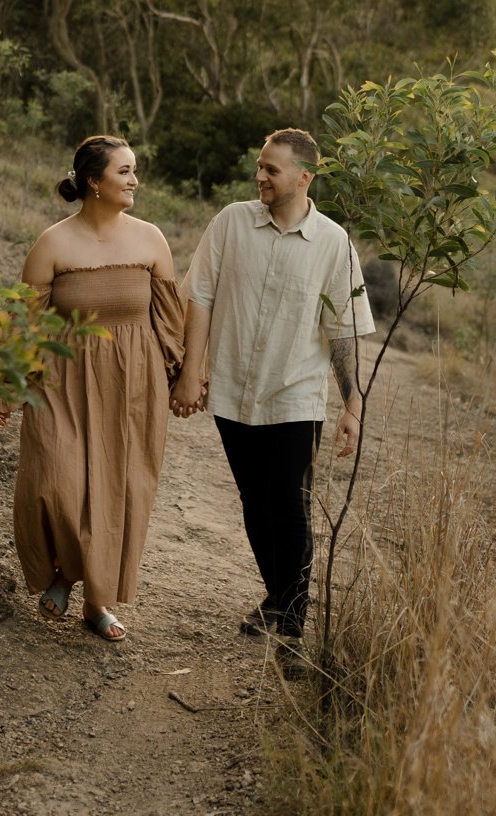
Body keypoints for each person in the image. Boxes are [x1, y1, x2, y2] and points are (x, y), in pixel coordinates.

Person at [170, 128, 374, 641]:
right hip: (234, 389)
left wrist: (353, 404)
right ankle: (281, 598)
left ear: (304, 178)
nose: (260, 175)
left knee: (290, 502)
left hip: (295, 395)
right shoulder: (231, 222)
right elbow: (200, 297)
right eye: (259, 166)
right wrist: (191, 372)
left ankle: (292, 622)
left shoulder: (334, 244)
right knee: (254, 504)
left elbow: (343, 331)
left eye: (271, 169)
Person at [0, 135, 186, 643]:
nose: (134, 180)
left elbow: (169, 321)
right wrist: (4, 384)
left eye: (134, 170)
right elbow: (21, 322)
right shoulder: (53, 243)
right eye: (124, 171)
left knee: (120, 492)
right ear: (93, 182)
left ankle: (97, 604)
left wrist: (182, 378)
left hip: (132, 385)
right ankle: (63, 571)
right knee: (55, 481)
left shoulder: (150, 241)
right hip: (62, 379)